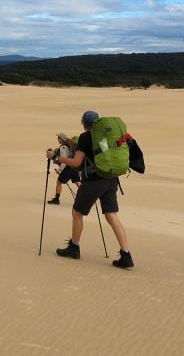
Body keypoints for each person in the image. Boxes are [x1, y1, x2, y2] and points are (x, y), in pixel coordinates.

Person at [46, 111, 134, 269]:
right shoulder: (105, 136)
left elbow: (76, 161)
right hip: (111, 178)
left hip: (94, 181)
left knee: (77, 212)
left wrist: (56, 157)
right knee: (111, 215)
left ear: (84, 123)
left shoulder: (86, 137)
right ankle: (126, 254)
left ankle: (74, 247)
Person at [47, 132, 81, 205]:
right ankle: (87, 195)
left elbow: (64, 160)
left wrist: (59, 171)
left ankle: (56, 199)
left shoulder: (63, 147)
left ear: (62, 139)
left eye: (58, 138)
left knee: (59, 182)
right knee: (77, 182)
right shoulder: (68, 146)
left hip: (68, 167)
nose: (58, 140)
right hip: (74, 166)